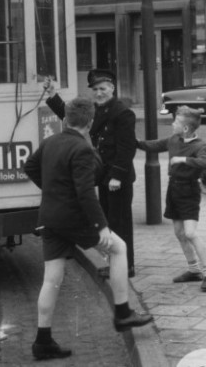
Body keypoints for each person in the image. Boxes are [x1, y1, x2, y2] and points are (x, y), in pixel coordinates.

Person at [24, 96, 152, 360]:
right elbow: (85, 193)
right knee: (119, 248)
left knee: (51, 279)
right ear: (90, 122)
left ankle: (43, 341)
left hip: (49, 217)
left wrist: (53, 192)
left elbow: (30, 167)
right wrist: (101, 226)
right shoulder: (81, 149)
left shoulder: (50, 142)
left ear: (65, 119)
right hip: (74, 218)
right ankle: (122, 313)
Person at [44, 69, 137, 277]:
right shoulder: (96, 109)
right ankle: (116, 264)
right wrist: (52, 95)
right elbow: (73, 118)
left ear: (112, 88)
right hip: (105, 177)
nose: (99, 93)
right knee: (109, 222)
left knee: (120, 223)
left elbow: (127, 148)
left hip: (117, 179)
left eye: (102, 89)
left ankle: (126, 266)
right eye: (95, 89)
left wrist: (117, 176)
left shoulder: (123, 113)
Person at [137, 105, 206, 292]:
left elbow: (205, 162)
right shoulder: (174, 139)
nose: (172, 124)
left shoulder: (201, 145)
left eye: (176, 122)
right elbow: (154, 145)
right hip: (174, 189)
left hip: (189, 191)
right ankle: (194, 270)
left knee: (190, 233)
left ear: (186, 128)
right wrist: (135, 142)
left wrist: (182, 160)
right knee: (179, 233)